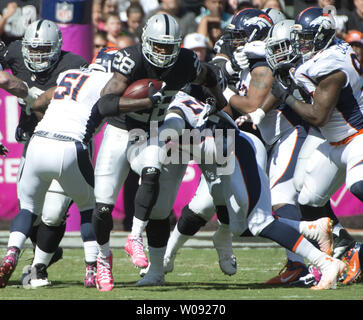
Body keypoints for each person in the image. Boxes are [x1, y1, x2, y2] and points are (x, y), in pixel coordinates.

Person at [158, 84, 347, 290]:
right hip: (234, 152)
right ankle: (311, 229)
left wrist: (170, 146)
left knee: (259, 222)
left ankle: (326, 263)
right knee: (239, 227)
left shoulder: (174, 113)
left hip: (239, 152)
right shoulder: (184, 104)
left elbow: (189, 137)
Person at [92, 13, 227, 290]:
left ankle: (134, 238)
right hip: (119, 131)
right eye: (158, 45)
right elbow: (104, 104)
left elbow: (210, 75)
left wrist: (218, 102)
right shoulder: (132, 59)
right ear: (146, 41)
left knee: (152, 172)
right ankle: (103, 262)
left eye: (169, 46)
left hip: (150, 132)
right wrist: (140, 101)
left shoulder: (186, 61)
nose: (164, 52)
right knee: (103, 207)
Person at [12, 46, 148, 290]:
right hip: (74, 146)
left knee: (47, 213)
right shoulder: (109, 80)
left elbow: (41, 100)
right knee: (83, 209)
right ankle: (79, 267)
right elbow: (119, 103)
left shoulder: (70, 74)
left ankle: (27, 261)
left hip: (44, 141)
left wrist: (49, 121)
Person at [0, 19, 97, 289]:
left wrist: (33, 98)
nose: (38, 55)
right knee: (27, 208)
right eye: (34, 49)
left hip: (68, 141)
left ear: (57, 48)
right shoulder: (15, 50)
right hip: (35, 140)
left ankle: (38, 267)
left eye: (44, 49)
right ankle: (49, 255)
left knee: (53, 214)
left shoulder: (75, 63)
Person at [270, 6, 363, 285]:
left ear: (322, 36)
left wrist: (285, 96)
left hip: (356, 137)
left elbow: (317, 115)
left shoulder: (332, 66)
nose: (302, 44)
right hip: (333, 141)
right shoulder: (327, 53)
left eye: (308, 38)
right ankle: (347, 248)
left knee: (359, 186)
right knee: (309, 202)